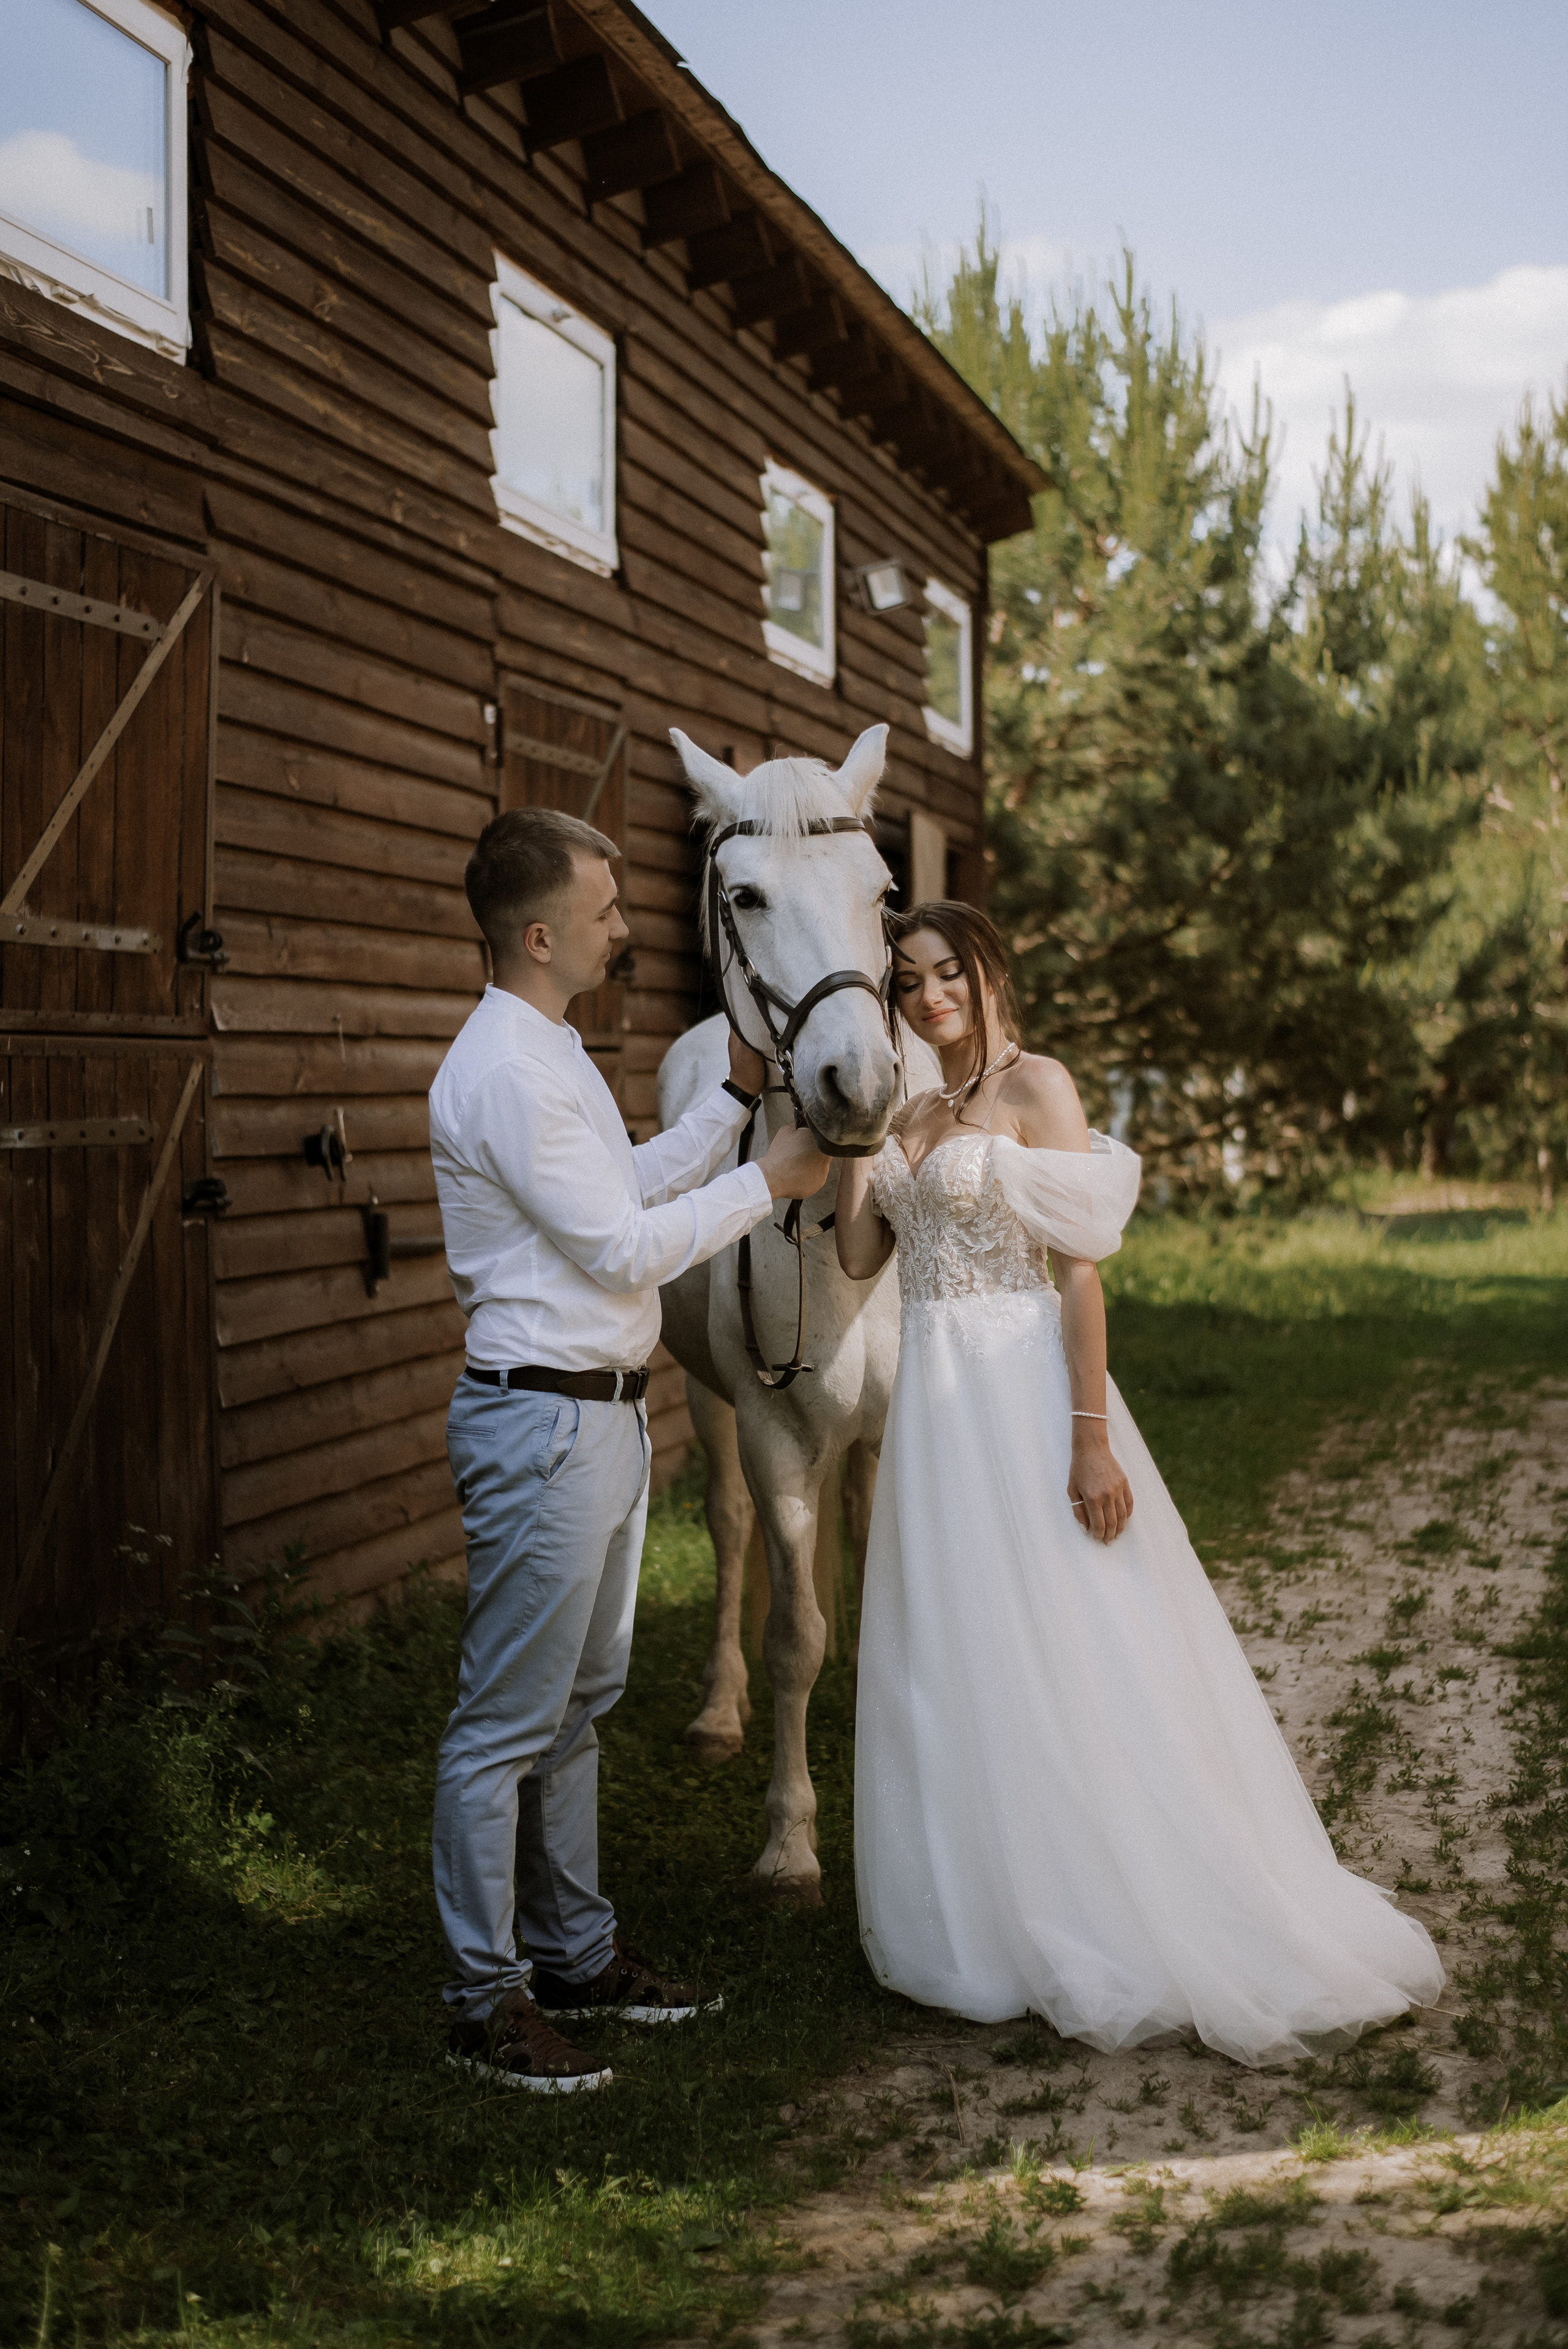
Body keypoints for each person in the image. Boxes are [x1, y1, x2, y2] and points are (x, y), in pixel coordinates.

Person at [834, 902, 1443, 2066]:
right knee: (954, 1649)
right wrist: (860, 1147)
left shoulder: (1035, 1090)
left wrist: (1090, 1433)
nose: (926, 997)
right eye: (906, 981)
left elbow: (1079, 1277)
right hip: (933, 1417)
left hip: (1018, 1394)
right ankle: (981, 1911)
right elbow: (864, 1258)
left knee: (1070, 1637)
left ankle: (1117, 1893)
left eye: (945, 972)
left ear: (986, 971)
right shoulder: (909, 1112)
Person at [429, 807, 827, 2092]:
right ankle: (485, 2000)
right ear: (539, 935)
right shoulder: (498, 1071)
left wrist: (735, 1103)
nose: (625, 925)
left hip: (593, 1416)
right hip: (542, 1419)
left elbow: (634, 1185)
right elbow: (622, 1248)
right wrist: (771, 1184)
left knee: (578, 1709)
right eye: (603, 911)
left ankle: (576, 1955)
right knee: (503, 1726)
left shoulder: (549, 1050)